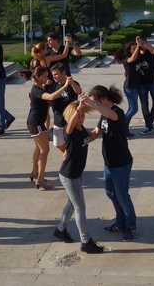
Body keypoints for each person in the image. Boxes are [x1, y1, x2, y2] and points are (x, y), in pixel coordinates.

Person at [53, 100, 105, 254]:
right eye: (78, 116)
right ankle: (85, 241)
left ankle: (60, 229)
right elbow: (70, 125)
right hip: (70, 175)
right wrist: (78, 109)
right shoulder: (69, 131)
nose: (81, 118)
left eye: (83, 115)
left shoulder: (81, 129)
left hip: (76, 173)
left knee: (71, 203)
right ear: (71, 116)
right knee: (80, 207)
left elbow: (92, 136)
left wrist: (104, 118)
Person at [87, 85, 137, 242]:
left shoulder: (117, 113)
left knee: (123, 197)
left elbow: (111, 115)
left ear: (102, 100)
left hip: (121, 164)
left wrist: (93, 104)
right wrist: (81, 137)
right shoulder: (103, 115)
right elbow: (95, 133)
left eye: (95, 102)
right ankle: (120, 223)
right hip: (108, 164)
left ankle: (130, 227)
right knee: (111, 194)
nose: (94, 106)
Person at [18, 66, 74, 190]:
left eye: (47, 76)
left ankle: (34, 172)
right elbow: (50, 97)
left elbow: (47, 101)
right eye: (44, 77)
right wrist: (65, 86)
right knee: (44, 150)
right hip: (36, 123)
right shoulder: (36, 90)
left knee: (38, 149)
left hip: (35, 123)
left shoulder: (40, 87)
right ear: (37, 78)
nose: (47, 79)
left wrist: (47, 84)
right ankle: (41, 179)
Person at [46, 62, 82, 152]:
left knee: (71, 143)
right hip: (58, 119)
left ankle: (69, 157)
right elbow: (50, 99)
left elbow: (79, 91)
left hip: (70, 119)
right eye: (53, 74)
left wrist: (72, 83)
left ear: (63, 73)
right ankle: (68, 154)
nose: (54, 76)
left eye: (56, 74)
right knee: (57, 144)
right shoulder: (54, 85)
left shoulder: (72, 84)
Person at [113, 41, 141, 137]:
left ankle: (124, 128)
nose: (135, 50)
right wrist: (138, 45)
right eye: (133, 49)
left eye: (135, 48)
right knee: (133, 109)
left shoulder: (136, 59)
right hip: (130, 87)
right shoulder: (127, 59)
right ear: (129, 51)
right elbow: (132, 59)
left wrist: (140, 70)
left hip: (135, 86)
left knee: (131, 109)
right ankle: (122, 127)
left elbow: (134, 68)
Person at [134, 35, 154, 135]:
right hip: (141, 84)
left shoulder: (151, 51)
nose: (139, 43)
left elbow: (151, 48)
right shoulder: (136, 53)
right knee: (144, 105)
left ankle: (150, 122)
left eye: (141, 41)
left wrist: (142, 43)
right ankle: (149, 125)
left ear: (145, 41)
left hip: (153, 81)